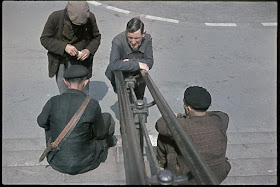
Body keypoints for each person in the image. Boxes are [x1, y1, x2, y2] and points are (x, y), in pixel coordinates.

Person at [37, 65, 116, 175]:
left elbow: (41, 122)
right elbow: (100, 133)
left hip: (55, 160)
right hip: (86, 162)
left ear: (65, 81)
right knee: (107, 118)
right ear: (86, 82)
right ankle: (110, 143)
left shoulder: (53, 101)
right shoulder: (92, 104)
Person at [155, 86, 231, 184]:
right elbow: (220, 114)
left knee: (165, 137)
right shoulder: (220, 121)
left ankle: (163, 164)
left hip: (189, 178)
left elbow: (160, 124)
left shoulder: (183, 125)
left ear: (189, 108)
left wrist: (178, 116)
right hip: (218, 174)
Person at [40, 1, 101, 95]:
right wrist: (64, 47)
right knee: (64, 92)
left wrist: (88, 50)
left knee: (83, 93)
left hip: (81, 62)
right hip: (61, 61)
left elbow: (96, 37)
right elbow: (45, 39)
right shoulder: (55, 17)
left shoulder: (90, 18)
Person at [105, 17, 154, 100]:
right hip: (120, 76)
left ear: (143, 34)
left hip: (138, 77)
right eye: (130, 38)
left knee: (139, 102)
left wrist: (129, 62)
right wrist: (138, 64)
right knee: (124, 102)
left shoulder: (147, 39)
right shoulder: (118, 41)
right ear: (125, 32)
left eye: (137, 38)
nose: (133, 42)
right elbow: (113, 64)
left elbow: (149, 62)